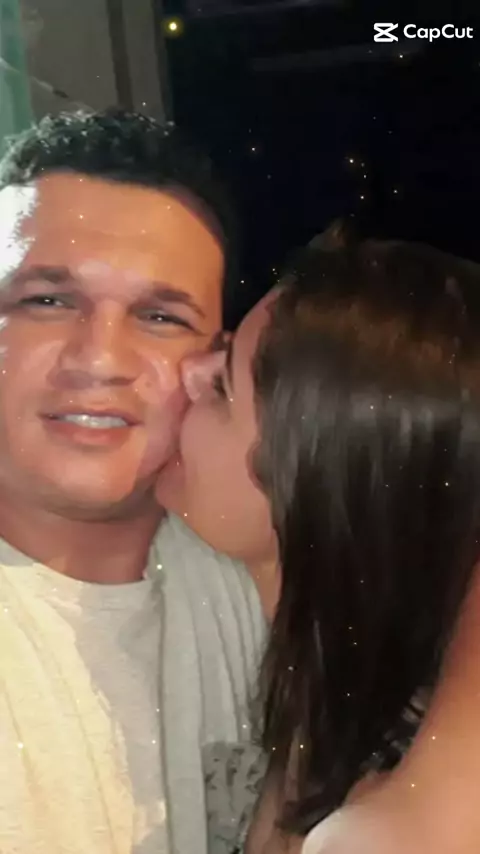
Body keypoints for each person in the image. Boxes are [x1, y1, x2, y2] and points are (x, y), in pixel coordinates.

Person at [156, 222, 480, 853]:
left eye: (222, 386)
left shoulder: (402, 817)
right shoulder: (329, 688)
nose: (188, 370)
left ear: (315, 481)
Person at [0, 108, 265, 854]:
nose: (99, 359)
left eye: (159, 317)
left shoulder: (261, 579)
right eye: (47, 301)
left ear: (214, 363)